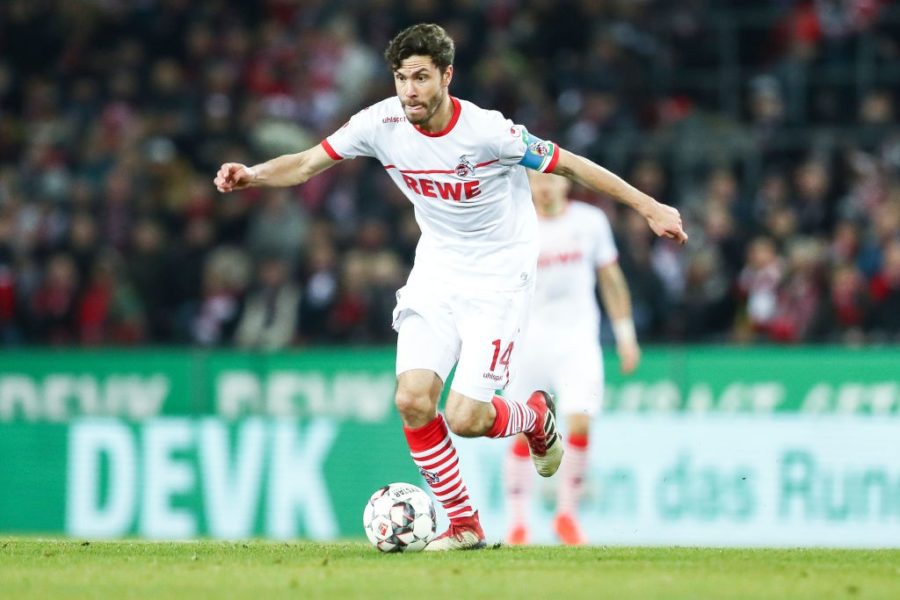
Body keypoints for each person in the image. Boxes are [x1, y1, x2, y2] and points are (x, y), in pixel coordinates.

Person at [214, 23, 687, 551]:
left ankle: (535, 417)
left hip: (500, 278)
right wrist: (252, 174)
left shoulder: (489, 133)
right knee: (413, 400)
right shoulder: (380, 122)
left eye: (421, 77)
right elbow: (304, 164)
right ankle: (465, 526)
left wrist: (649, 207)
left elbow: (571, 165)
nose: (409, 90)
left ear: (447, 76)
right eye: (401, 77)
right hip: (437, 270)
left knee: (465, 418)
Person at [503, 171, 641, 546]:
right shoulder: (515, 224)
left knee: (579, 422)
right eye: (536, 181)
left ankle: (567, 516)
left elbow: (611, 280)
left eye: (550, 181)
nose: (544, 188)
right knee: (522, 428)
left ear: (566, 183)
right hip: (527, 341)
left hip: (577, 340)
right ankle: (517, 524)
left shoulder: (590, 222)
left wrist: (626, 336)